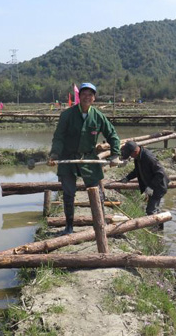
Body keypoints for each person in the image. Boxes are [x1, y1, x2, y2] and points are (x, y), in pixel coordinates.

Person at [48, 82, 121, 235]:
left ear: (94, 98)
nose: (87, 97)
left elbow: (112, 135)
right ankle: (69, 227)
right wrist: (54, 154)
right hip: (68, 159)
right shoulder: (67, 115)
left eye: (90, 95)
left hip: (89, 158)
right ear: (79, 96)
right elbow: (59, 137)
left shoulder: (98, 116)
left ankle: (100, 226)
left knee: (97, 193)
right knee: (68, 194)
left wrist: (115, 154)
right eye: (84, 94)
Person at [119, 141, 169, 226]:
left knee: (150, 210)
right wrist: (127, 178)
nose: (130, 157)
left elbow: (160, 173)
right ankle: (159, 227)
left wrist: (151, 187)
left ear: (135, 151)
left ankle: (155, 229)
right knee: (154, 208)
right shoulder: (138, 157)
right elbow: (137, 170)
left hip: (158, 186)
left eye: (130, 155)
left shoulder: (148, 157)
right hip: (152, 185)